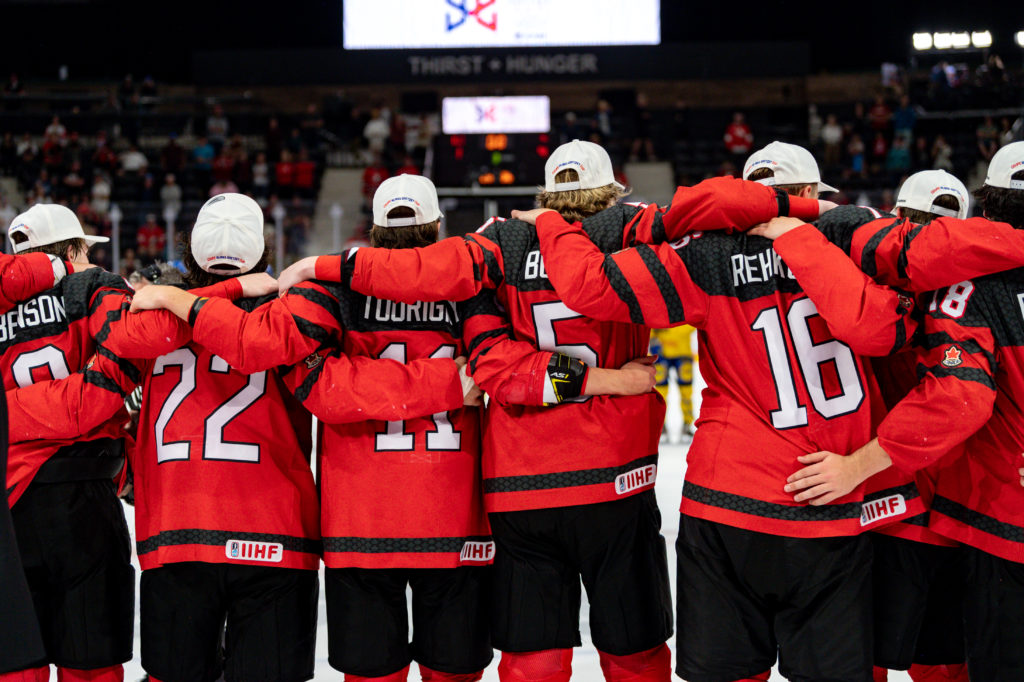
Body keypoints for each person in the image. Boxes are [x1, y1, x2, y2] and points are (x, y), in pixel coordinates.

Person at [276, 141, 833, 682]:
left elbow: (487, 354)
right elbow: (709, 202)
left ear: (546, 194)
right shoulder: (627, 226)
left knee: (533, 658)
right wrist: (807, 208)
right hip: (616, 479)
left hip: (520, 486)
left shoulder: (502, 242)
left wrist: (328, 264)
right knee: (635, 649)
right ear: (612, 189)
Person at [121, 177, 654, 682]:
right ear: (439, 228)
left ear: (372, 230)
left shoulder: (324, 291)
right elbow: (511, 376)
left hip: (359, 527)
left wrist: (182, 296)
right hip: (455, 526)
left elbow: (317, 385)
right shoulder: (470, 293)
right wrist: (605, 381)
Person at [6, 193, 481, 682]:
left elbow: (109, 399)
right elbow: (328, 386)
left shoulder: (144, 320)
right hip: (276, 533)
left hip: (175, 532)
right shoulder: (290, 311)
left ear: (188, 250)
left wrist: (129, 469)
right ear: (264, 249)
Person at [514, 141, 934, 682]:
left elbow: (585, 288)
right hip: (834, 493)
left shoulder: (698, 255)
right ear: (807, 194)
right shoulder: (856, 239)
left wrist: (551, 224)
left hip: (725, 495)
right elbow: (885, 331)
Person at [0, 203, 269, 682]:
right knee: (94, 665)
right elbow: (138, 349)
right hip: (84, 497)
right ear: (74, 249)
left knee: (17, 666)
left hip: (10, 499)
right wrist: (209, 292)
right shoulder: (92, 285)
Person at [648, 326, 696, 441]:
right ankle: (661, 426)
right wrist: (653, 336)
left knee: (686, 392)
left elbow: (695, 323)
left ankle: (687, 424)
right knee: (660, 392)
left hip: (683, 353)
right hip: (662, 354)